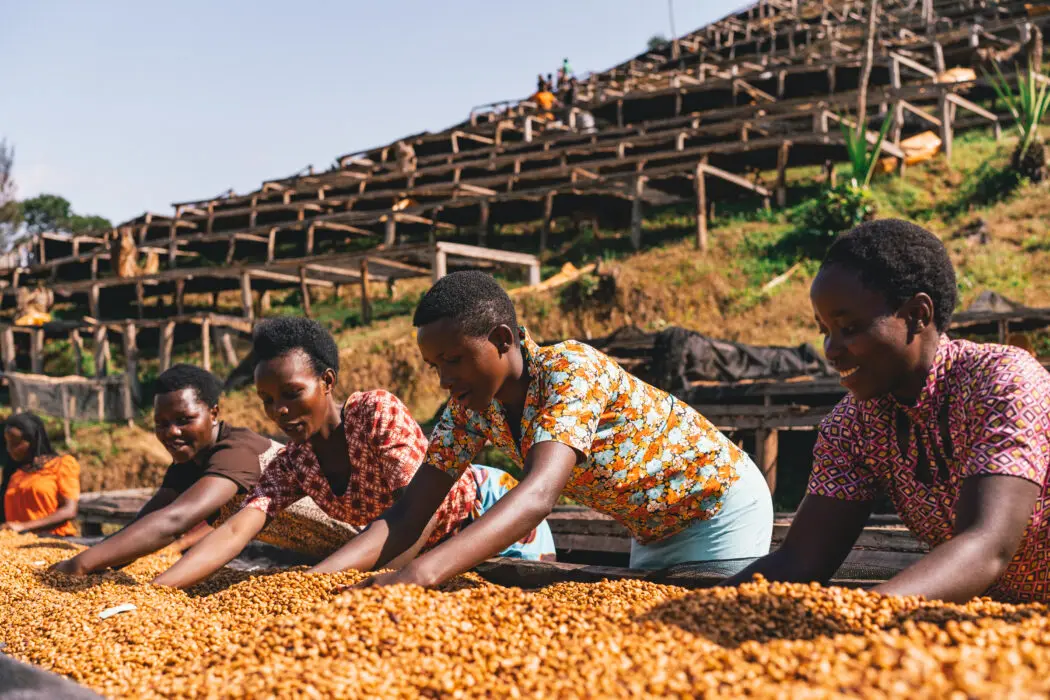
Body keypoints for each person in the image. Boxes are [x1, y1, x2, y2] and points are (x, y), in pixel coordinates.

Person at [317, 271, 772, 589]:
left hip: (716, 509)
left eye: (453, 360)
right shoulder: (468, 411)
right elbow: (408, 514)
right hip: (651, 530)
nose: (443, 379)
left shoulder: (569, 370)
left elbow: (537, 497)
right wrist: (316, 581)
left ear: (501, 340)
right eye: (435, 366)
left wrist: (418, 574)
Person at [723, 219, 1050, 604]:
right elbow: (800, 560)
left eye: (849, 327)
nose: (830, 349)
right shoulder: (855, 425)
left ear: (917, 314)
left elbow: (986, 545)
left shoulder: (1003, 383)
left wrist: (865, 612)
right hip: (1002, 629)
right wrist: (687, 609)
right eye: (824, 330)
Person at [152, 317, 554, 589]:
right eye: (268, 400)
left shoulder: (374, 413)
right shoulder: (294, 462)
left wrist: (320, 584)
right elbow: (237, 529)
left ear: (327, 382)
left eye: (292, 394)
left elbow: (419, 514)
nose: (280, 411)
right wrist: (161, 588)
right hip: (424, 553)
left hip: (489, 516)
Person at [49, 365, 281, 576]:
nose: (171, 432)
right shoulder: (189, 463)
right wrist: (98, 563)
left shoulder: (236, 451)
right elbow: (150, 518)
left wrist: (82, 564)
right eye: (161, 423)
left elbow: (175, 521)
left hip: (311, 558)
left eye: (184, 420)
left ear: (213, 414)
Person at [1, 413, 80, 536]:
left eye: (16, 443)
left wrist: (24, 527)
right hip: (17, 545)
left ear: (32, 441)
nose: (9, 449)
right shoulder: (14, 472)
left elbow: (69, 510)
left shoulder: (61, 465)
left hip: (53, 541)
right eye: (7, 443)